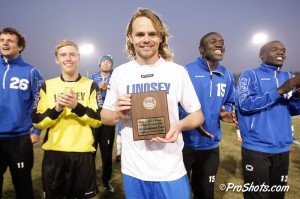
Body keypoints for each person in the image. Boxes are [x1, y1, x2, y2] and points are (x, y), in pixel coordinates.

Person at [100, 8, 204, 199]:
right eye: (140, 34)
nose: (146, 39)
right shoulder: (121, 73)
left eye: (152, 34)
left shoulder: (176, 71)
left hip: (170, 168)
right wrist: (117, 113)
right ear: (130, 37)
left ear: (161, 37)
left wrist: (179, 125)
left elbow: (198, 115)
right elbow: (105, 116)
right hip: (133, 170)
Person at [32, 40, 102, 198]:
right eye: (63, 55)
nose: (68, 58)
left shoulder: (91, 85)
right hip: (54, 153)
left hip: (82, 153)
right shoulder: (47, 86)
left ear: (78, 57)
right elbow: (37, 121)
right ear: (57, 59)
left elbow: (98, 120)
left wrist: (76, 106)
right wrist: (57, 109)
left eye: (72, 54)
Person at [236, 40, 300, 199]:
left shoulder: (287, 76)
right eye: (274, 49)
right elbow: (245, 105)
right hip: (257, 148)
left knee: (277, 196)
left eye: (283, 50)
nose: (280, 52)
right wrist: (280, 90)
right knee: (257, 196)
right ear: (261, 55)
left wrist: (298, 97)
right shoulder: (250, 75)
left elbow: (292, 110)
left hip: (282, 148)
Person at [179, 32, 236, 198]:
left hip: (211, 145)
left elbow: (230, 101)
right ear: (201, 49)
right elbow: (173, 105)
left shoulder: (227, 75)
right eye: (213, 41)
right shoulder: (185, 71)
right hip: (184, 144)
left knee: (206, 192)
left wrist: (224, 111)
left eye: (222, 42)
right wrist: (194, 122)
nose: (219, 44)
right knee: (180, 193)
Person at [0, 27, 43, 199]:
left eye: (10, 40)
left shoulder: (31, 71)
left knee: (23, 185)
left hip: (20, 138)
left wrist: (37, 130)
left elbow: (40, 103)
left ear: (21, 47)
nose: (4, 43)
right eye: (2, 40)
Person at [89, 55, 115, 192]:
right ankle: (90, 181)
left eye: (108, 62)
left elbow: (119, 94)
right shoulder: (91, 77)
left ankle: (106, 182)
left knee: (107, 153)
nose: (106, 64)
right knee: (90, 152)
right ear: (99, 64)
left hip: (109, 120)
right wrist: (97, 89)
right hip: (93, 119)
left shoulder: (116, 78)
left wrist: (108, 89)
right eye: (104, 62)